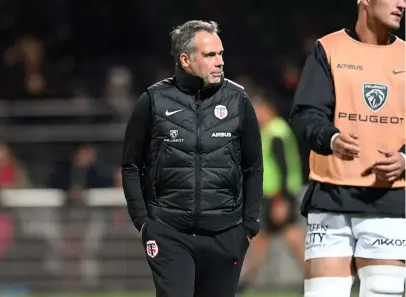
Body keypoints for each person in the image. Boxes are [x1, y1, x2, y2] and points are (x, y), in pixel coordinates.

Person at [122, 20, 263, 297]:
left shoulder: (238, 100)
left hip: (226, 233)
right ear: (185, 59)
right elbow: (130, 165)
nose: (220, 62)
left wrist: (248, 227)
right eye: (210, 55)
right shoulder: (153, 101)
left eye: (221, 54)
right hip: (168, 232)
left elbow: (253, 166)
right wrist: (143, 222)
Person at [289, 0, 406, 296]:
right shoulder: (328, 49)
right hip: (331, 197)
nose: (402, 4)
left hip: (389, 199)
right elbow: (305, 114)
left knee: (383, 290)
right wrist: (332, 139)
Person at [237, 93, 305, 294]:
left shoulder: (277, 132)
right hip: (272, 196)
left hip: (278, 196)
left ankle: (241, 284)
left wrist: (280, 201)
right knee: (266, 239)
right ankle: (243, 283)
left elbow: (283, 168)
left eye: (258, 110)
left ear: (268, 109)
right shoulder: (271, 131)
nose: (256, 115)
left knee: (289, 238)